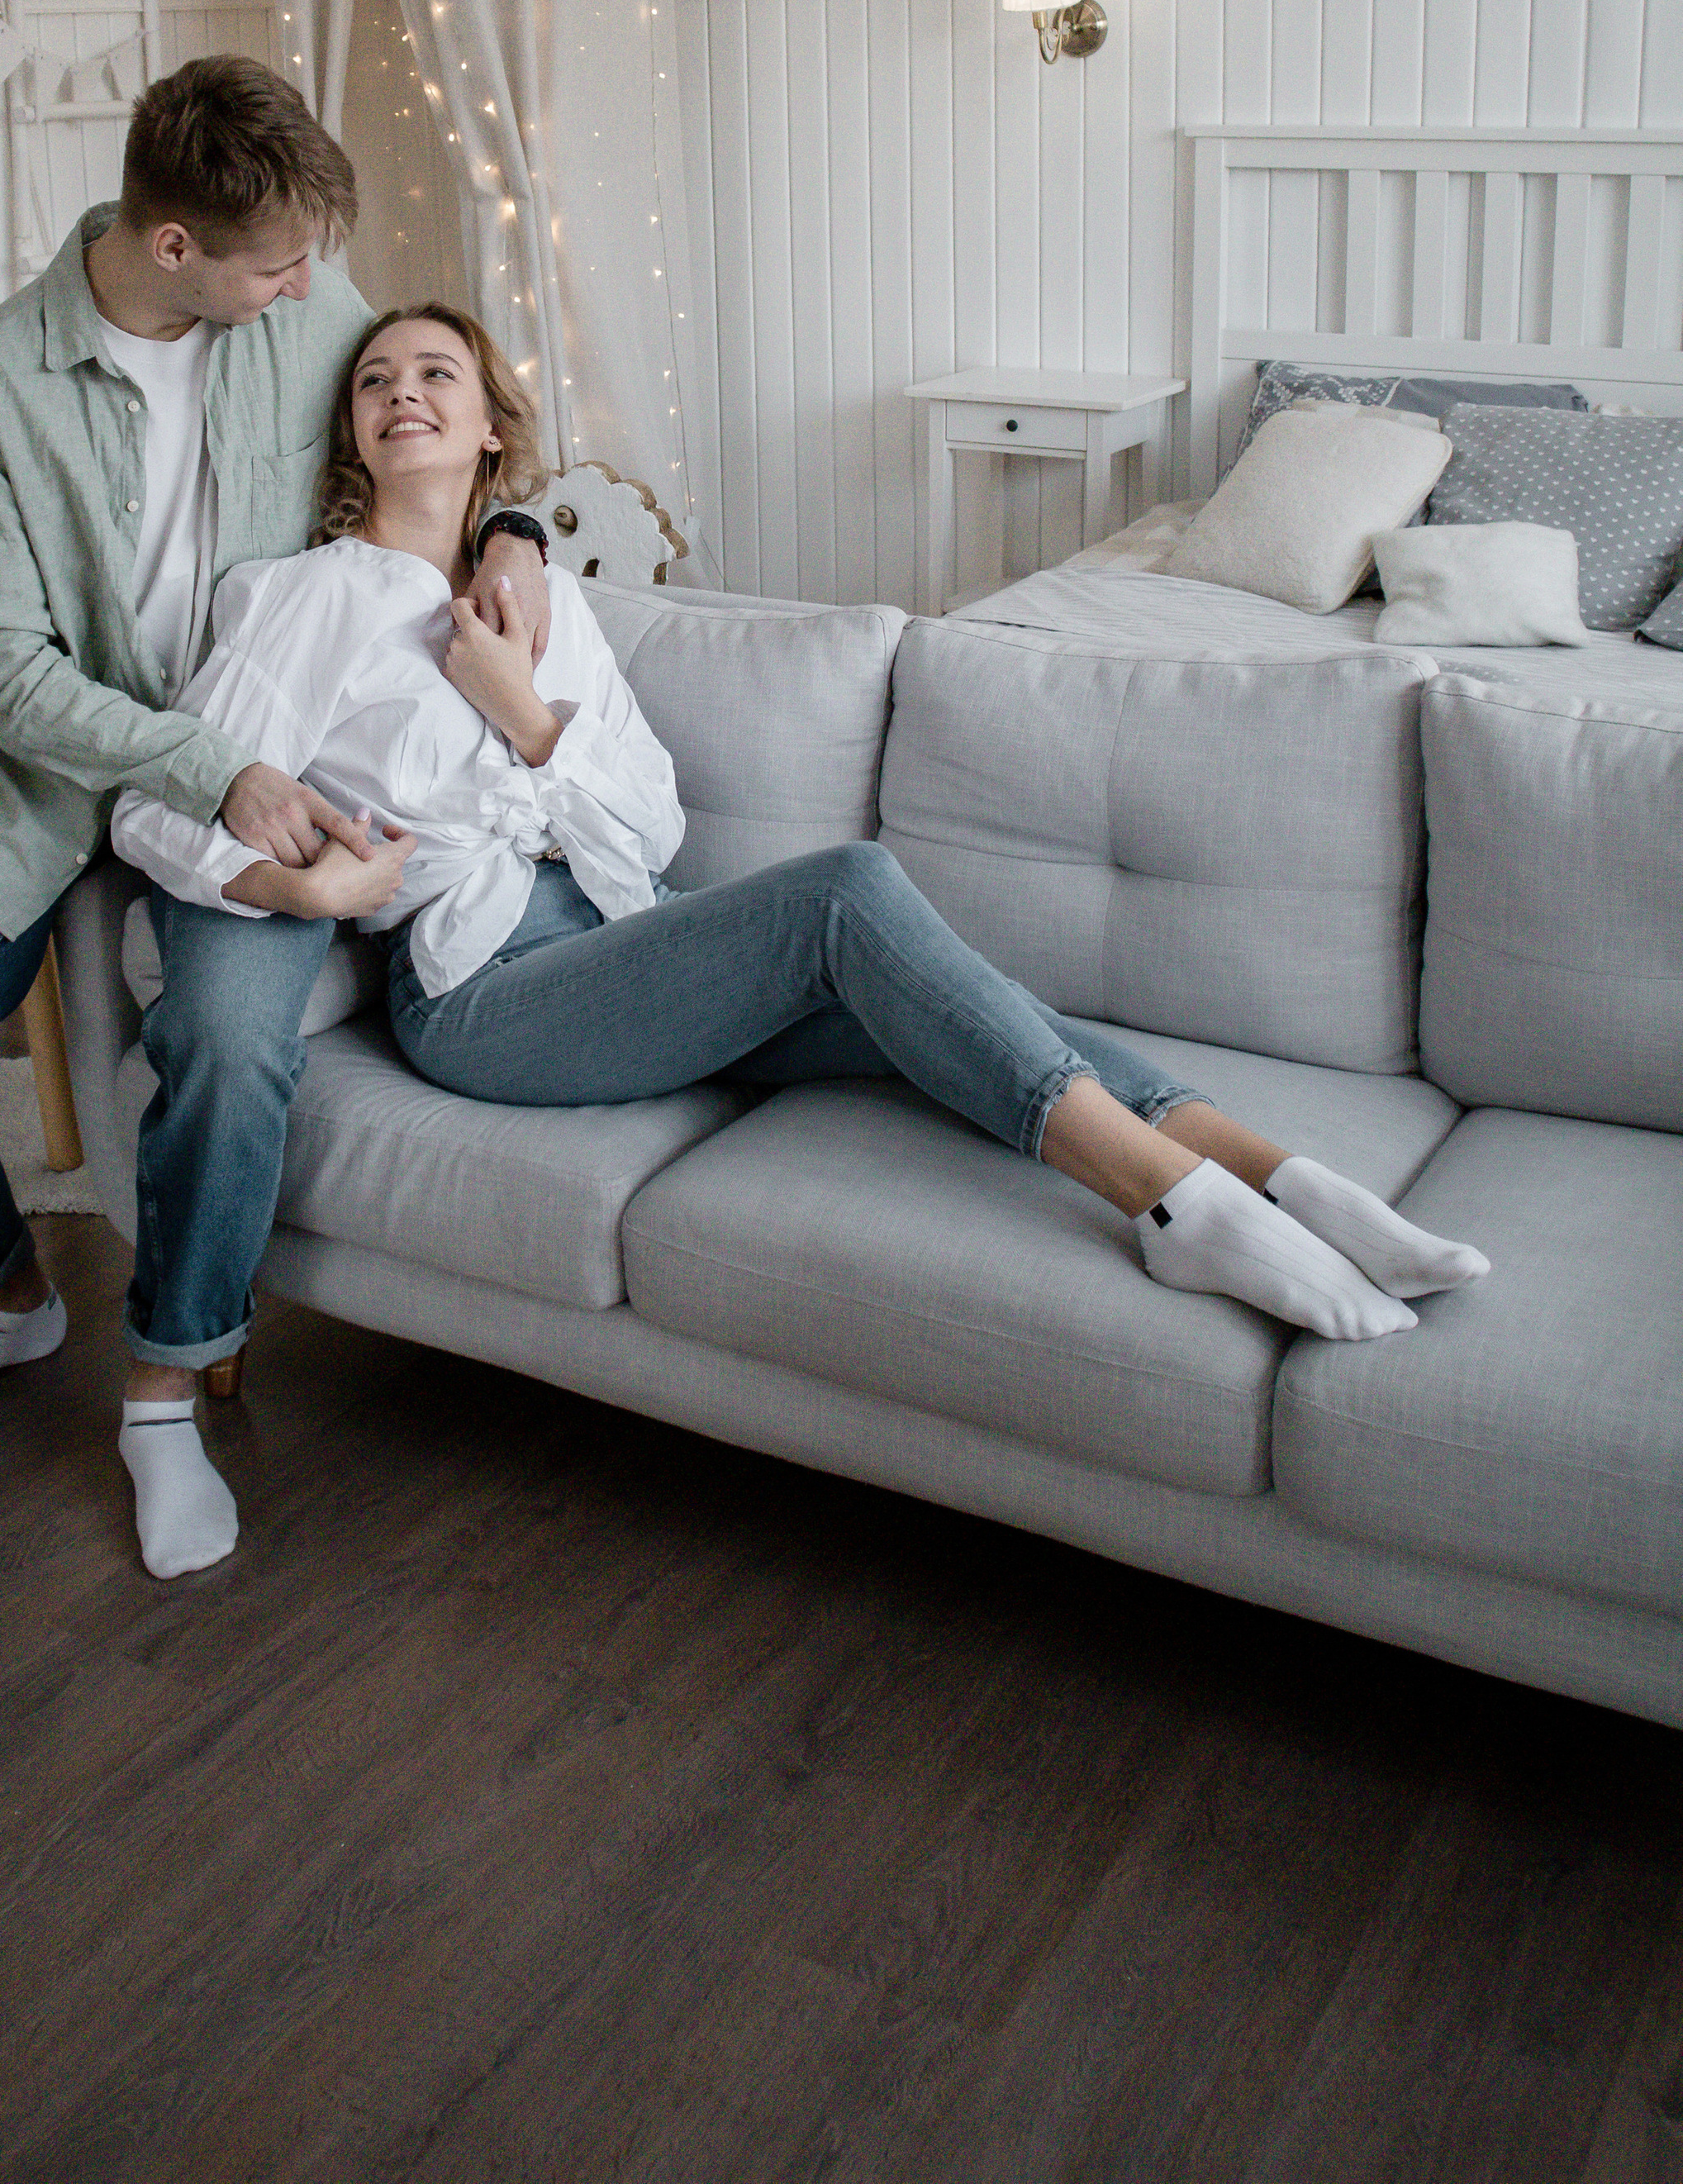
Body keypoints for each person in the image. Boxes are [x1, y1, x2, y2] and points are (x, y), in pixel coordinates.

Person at [113, 303, 1490, 1473]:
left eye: (436, 377)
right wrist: (296, 889)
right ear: (354, 435)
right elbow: (162, 801)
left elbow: (647, 823)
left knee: (969, 1002)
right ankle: (1177, 1212)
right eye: (375, 382)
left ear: (491, 433)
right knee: (847, 892)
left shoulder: (553, 604)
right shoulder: (307, 597)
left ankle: (1285, 1180)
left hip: (618, 940)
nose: (401, 395)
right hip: (485, 992)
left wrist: (527, 712)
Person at [0, 64, 549, 1582]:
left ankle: (162, 1392)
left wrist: (518, 526)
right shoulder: (0, 384)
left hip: (261, 783)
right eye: (275, 265)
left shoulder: (301, 307)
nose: (305, 291)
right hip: (58, 773)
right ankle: (0, 1305)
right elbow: (2, 672)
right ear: (172, 249)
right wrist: (200, 765)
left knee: (221, 1042)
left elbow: (447, 401)